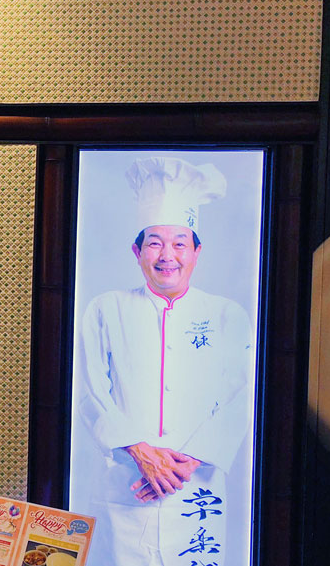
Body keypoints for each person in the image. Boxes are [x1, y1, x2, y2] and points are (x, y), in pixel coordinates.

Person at [72, 157, 253, 566]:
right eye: (154, 242)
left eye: (179, 243)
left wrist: (181, 467)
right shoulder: (106, 309)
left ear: (196, 251)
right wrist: (140, 451)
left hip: (197, 489)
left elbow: (243, 396)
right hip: (126, 486)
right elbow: (89, 391)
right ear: (136, 251)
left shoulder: (227, 315)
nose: (166, 255)